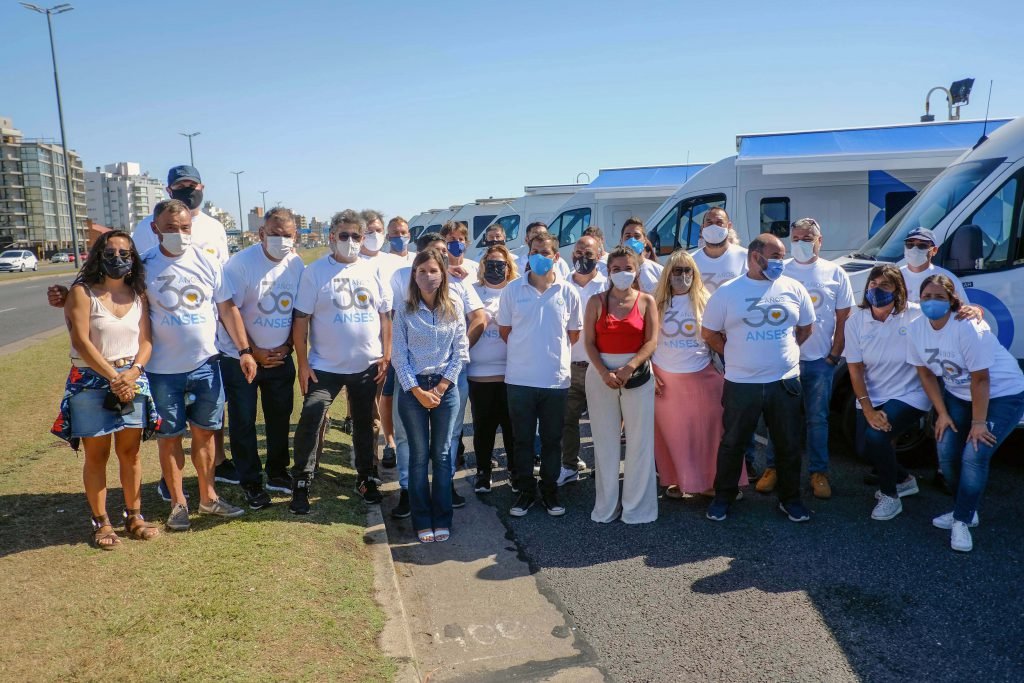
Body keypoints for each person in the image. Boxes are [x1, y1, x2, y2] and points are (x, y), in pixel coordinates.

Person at [144, 200, 257, 530]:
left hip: (206, 366)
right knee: (169, 438)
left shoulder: (207, 262)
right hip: (162, 371)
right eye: (170, 228)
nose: (179, 234)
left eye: (184, 228)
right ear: (155, 229)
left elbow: (227, 309)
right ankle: (178, 503)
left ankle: (208, 498)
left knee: (205, 435)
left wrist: (245, 350)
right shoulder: (143, 265)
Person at [52, 230, 160, 549]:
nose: (117, 259)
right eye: (110, 253)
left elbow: (146, 340)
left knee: (130, 453)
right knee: (97, 455)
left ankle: (134, 516)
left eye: (124, 254)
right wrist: (115, 377)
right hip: (91, 382)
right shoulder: (82, 293)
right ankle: (101, 523)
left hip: (132, 380)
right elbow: (81, 341)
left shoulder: (138, 294)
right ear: (98, 256)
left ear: (133, 259)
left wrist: (133, 373)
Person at [701, 234, 815, 523]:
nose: (781, 262)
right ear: (755, 256)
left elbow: (806, 328)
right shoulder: (728, 292)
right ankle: (723, 497)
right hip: (741, 383)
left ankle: (790, 500)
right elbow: (709, 333)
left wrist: (783, 353)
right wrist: (734, 353)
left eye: (782, 256)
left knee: (788, 444)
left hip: (784, 381)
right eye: (775, 256)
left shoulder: (793, 288)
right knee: (733, 443)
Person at [909, 275, 1024, 552]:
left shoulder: (967, 325)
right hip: (959, 396)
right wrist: (942, 413)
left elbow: (981, 379)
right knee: (946, 452)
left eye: (939, 297)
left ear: (951, 300)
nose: (932, 302)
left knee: (974, 453)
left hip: (1002, 394)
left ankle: (961, 520)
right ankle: (966, 509)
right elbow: (925, 373)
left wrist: (978, 423)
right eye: (926, 297)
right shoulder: (916, 328)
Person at [289, 210, 391, 514]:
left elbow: (385, 316)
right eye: (343, 235)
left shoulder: (372, 271)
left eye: (356, 236)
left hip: (366, 366)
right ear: (332, 237)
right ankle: (302, 479)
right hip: (325, 368)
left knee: (364, 423)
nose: (350, 241)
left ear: (363, 238)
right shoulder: (315, 272)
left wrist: (386, 353)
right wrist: (303, 364)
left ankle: (366, 476)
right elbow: (301, 321)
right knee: (311, 415)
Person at [755, 218, 855, 499]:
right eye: (796, 238)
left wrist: (834, 355)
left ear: (819, 241)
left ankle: (818, 473)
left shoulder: (835, 273)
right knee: (779, 420)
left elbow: (844, 318)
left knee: (817, 420)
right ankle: (773, 468)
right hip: (784, 362)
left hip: (819, 362)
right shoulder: (780, 271)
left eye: (807, 239)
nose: (801, 243)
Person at [389, 232, 486, 516]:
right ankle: (408, 490)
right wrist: (416, 389)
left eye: (442, 255)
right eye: (424, 266)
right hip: (412, 380)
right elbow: (399, 346)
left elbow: (477, 319)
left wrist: (448, 374)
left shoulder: (460, 288)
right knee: (411, 442)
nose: (432, 268)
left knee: (448, 441)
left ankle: (445, 488)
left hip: (450, 377)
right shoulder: (401, 283)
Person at [217, 207, 305, 509]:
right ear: (261, 234)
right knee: (243, 421)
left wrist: (288, 347)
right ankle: (250, 481)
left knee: (280, 418)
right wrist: (252, 350)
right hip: (240, 358)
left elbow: (299, 311)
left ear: (295, 235)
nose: (281, 240)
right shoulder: (240, 264)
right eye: (275, 234)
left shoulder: (296, 263)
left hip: (280, 358)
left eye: (287, 235)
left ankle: (277, 472)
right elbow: (229, 312)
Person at [498, 233, 583, 517]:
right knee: (522, 441)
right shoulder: (512, 290)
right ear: (528, 254)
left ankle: (549, 491)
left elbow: (573, 334)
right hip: (520, 379)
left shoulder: (568, 292)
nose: (540, 257)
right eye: (535, 252)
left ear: (556, 257)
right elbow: (505, 331)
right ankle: (525, 491)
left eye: (546, 253)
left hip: (555, 381)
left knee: (551, 440)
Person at [651, 249, 746, 497]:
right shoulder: (654, 303)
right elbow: (644, 341)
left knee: (711, 432)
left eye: (687, 271)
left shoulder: (707, 300)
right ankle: (679, 481)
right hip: (665, 379)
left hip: (703, 375)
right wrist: (649, 371)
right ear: (667, 274)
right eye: (677, 270)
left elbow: (724, 334)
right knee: (673, 435)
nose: (682, 276)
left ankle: (716, 483)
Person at [392, 248, 467, 542]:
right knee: (419, 455)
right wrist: (418, 391)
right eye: (421, 271)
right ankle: (422, 519)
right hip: (413, 389)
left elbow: (460, 353)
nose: (427, 276)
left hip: (445, 388)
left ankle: (442, 517)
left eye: (433, 270)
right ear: (414, 275)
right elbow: (399, 356)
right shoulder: (404, 310)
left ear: (443, 274)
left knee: (443, 454)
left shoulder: (454, 307)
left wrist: (441, 387)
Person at [843, 265, 928, 522]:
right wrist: (868, 408)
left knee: (877, 437)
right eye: (873, 284)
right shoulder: (856, 320)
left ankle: (890, 496)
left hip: (909, 393)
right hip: (873, 394)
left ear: (898, 290)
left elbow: (950, 313)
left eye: (885, 285)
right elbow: (855, 369)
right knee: (864, 449)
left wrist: (973, 310)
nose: (877, 289)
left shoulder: (915, 314)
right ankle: (904, 480)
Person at [583, 246, 659, 524]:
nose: (622, 273)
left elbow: (651, 341)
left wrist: (630, 367)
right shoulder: (596, 302)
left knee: (640, 442)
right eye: (616, 269)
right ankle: (607, 507)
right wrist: (604, 372)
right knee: (605, 442)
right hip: (600, 376)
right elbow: (589, 343)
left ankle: (637, 508)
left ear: (637, 270)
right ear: (608, 272)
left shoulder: (647, 301)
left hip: (637, 376)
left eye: (628, 268)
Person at [468, 245, 519, 493]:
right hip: (479, 373)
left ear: (508, 267)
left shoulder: (517, 290)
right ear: (483, 266)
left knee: (511, 426)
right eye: (491, 264)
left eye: (500, 264)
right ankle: (483, 471)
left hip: (512, 372)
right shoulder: (473, 291)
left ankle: (514, 471)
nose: (495, 269)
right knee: (483, 427)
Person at [558, 234, 608, 486]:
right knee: (567, 421)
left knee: (603, 422)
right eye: (579, 252)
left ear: (599, 256)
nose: (583, 258)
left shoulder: (607, 286)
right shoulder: (560, 284)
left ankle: (604, 468)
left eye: (589, 254)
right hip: (569, 365)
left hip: (600, 366)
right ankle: (569, 466)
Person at [129, 164, 229, 263]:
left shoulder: (215, 227)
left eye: (192, 186)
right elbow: (139, 264)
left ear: (202, 188)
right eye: (180, 186)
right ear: (169, 191)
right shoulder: (148, 226)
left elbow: (222, 266)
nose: (188, 190)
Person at [380, 215, 415, 469]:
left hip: (418, 336)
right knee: (388, 391)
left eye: (403, 232)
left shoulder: (417, 259)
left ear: (409, 234)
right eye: (394, 233)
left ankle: (412, 441)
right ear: (387, 236)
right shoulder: (382, 262)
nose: (399, 237)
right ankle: (389, 442)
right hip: (392, 332)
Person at [900, 227, 969, 304]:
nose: (914, 249)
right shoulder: (895, 277)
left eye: (922, 245)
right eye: (910, 245)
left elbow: (964, 308)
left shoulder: (948, 278)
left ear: (934, 250)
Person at [691, 207, 748, 294]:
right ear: (702, 228)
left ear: (729, 226)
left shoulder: (745, 257)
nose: (714, 227)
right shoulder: (691, 260)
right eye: (709, 222)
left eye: (719, 222)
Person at [618, 218, 663, 293]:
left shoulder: (659, 271)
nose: (632, 240)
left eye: (637, 236)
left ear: (645, 241)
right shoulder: (615, 272)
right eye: (628, 236)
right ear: (621, 242)